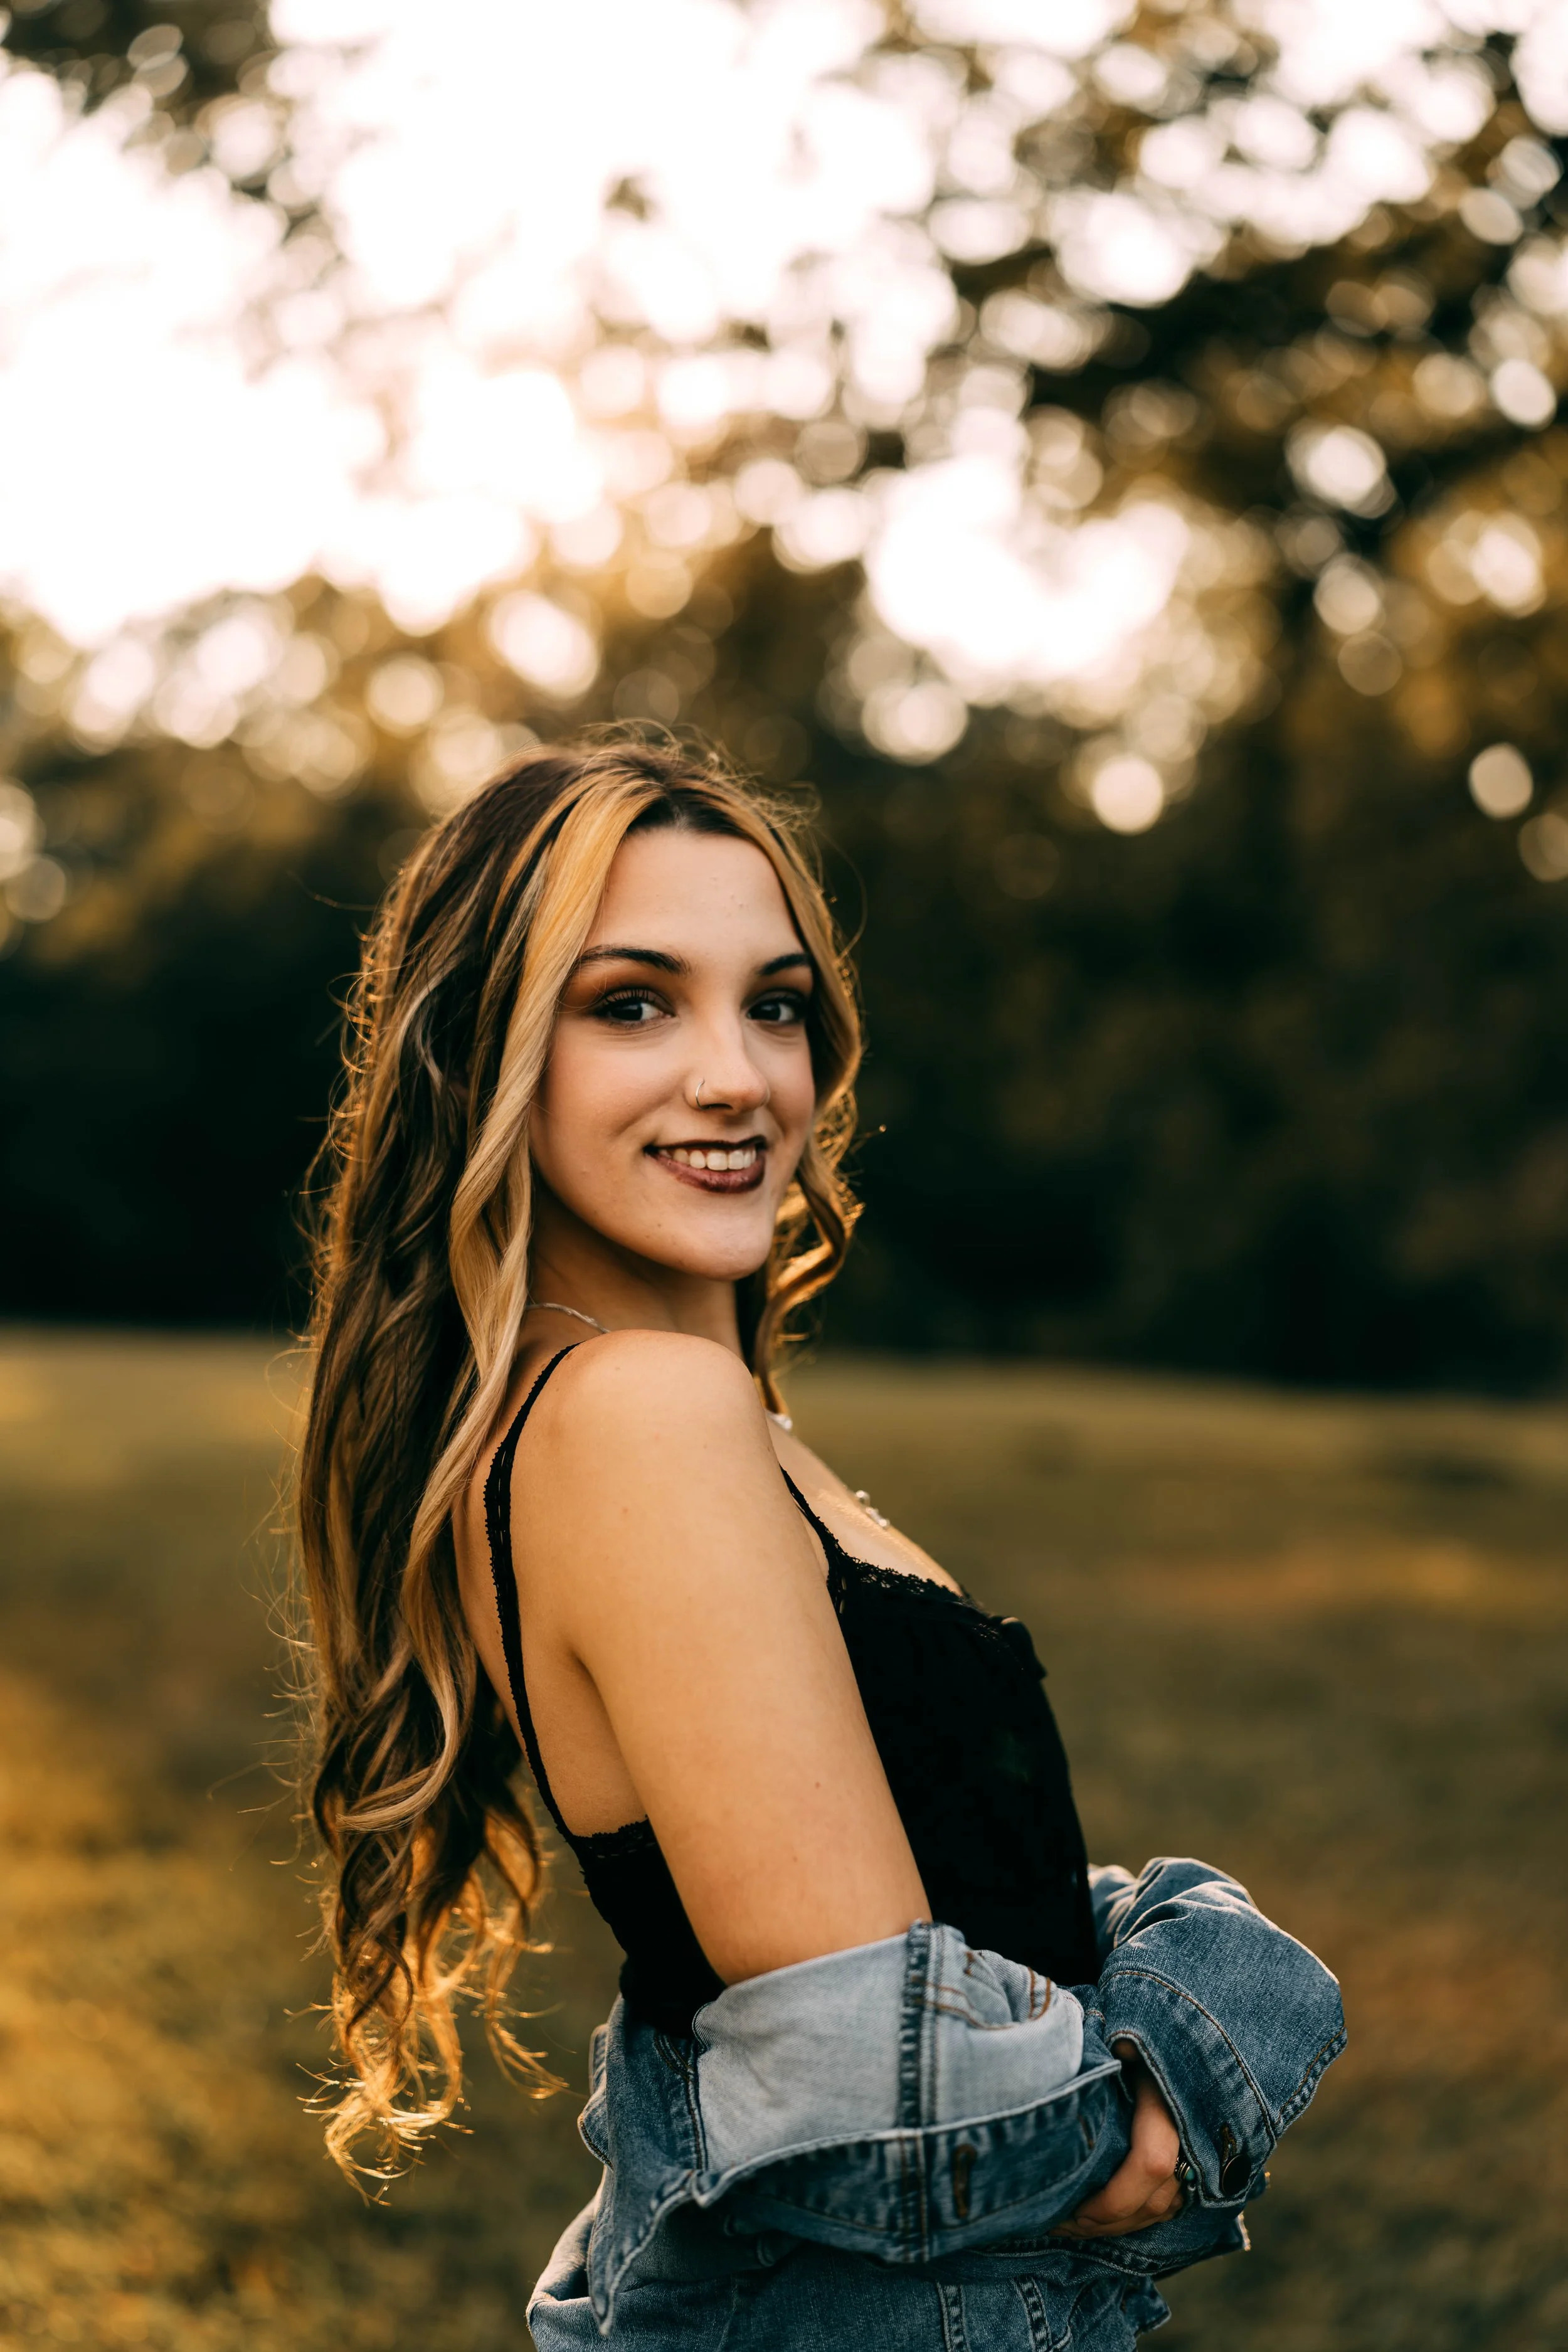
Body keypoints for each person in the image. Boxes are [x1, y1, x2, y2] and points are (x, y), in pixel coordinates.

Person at [296, 735, 1343, 2349]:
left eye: (772, 1003)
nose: (738, 1076)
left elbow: (951, 1923)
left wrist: (1133, 1991)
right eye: (632, 1001)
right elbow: (914, 2108)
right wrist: (1223, 2002)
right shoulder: (637, 1416)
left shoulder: (685, 1409)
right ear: (488, 1050)